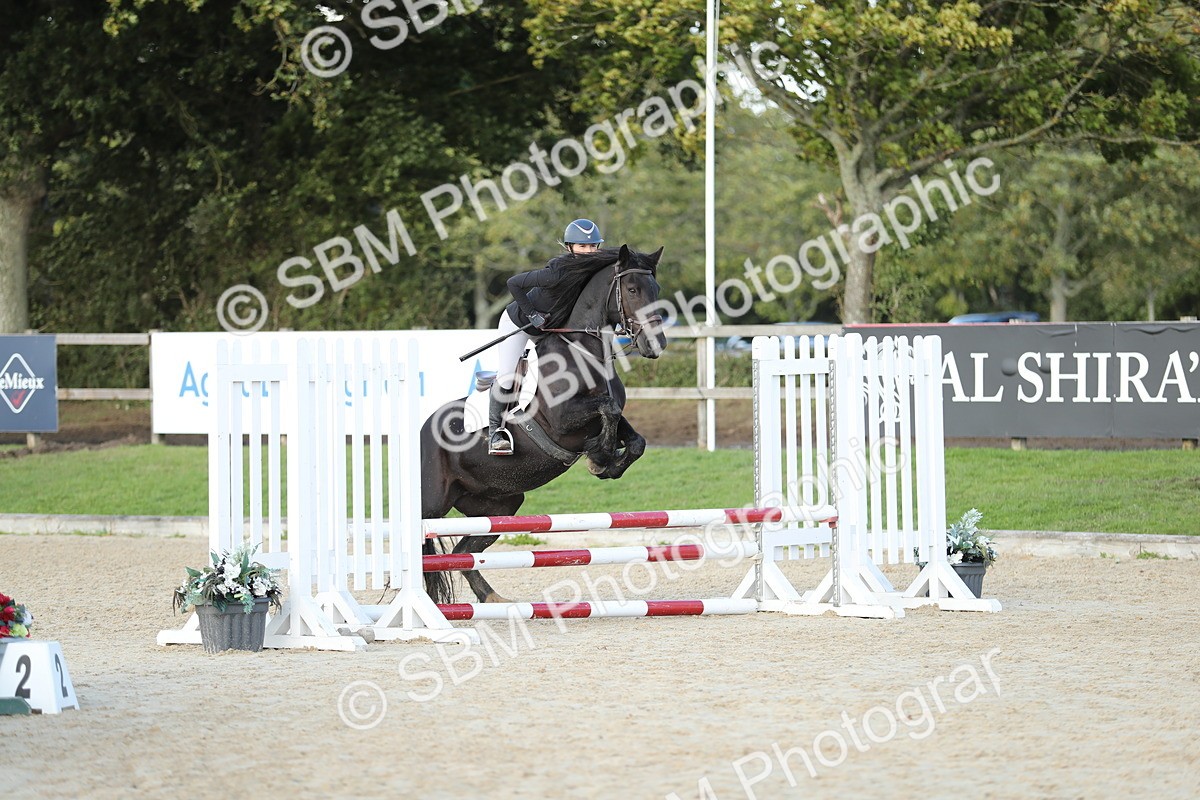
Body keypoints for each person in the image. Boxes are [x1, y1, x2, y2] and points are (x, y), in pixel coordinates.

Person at [487, 218, 607, 455]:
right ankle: (495, 432)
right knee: (508, 376)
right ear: (569, 247)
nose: (589, 251)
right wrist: (531, 314)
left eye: (593, 246)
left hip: (551, 328)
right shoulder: (556, 273)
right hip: (520, 323)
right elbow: (514, 283)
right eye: (583, 247)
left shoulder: (594, 270)